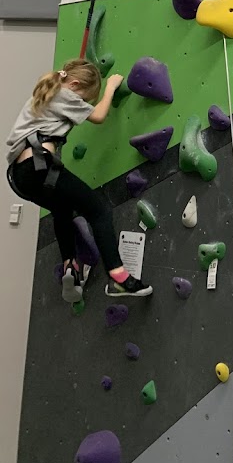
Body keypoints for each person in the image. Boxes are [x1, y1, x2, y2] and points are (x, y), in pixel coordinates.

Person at [6, 58, 153, 303]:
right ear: (74, 84)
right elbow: (99, 116)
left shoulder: (47, 93)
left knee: (62, 210)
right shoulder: (64, 94)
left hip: (21, 176)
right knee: (99, 210)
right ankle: (118, 277)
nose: (83, 104)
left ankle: (70, 267)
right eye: (84, 99)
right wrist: (110, 87)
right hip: (38, 166)